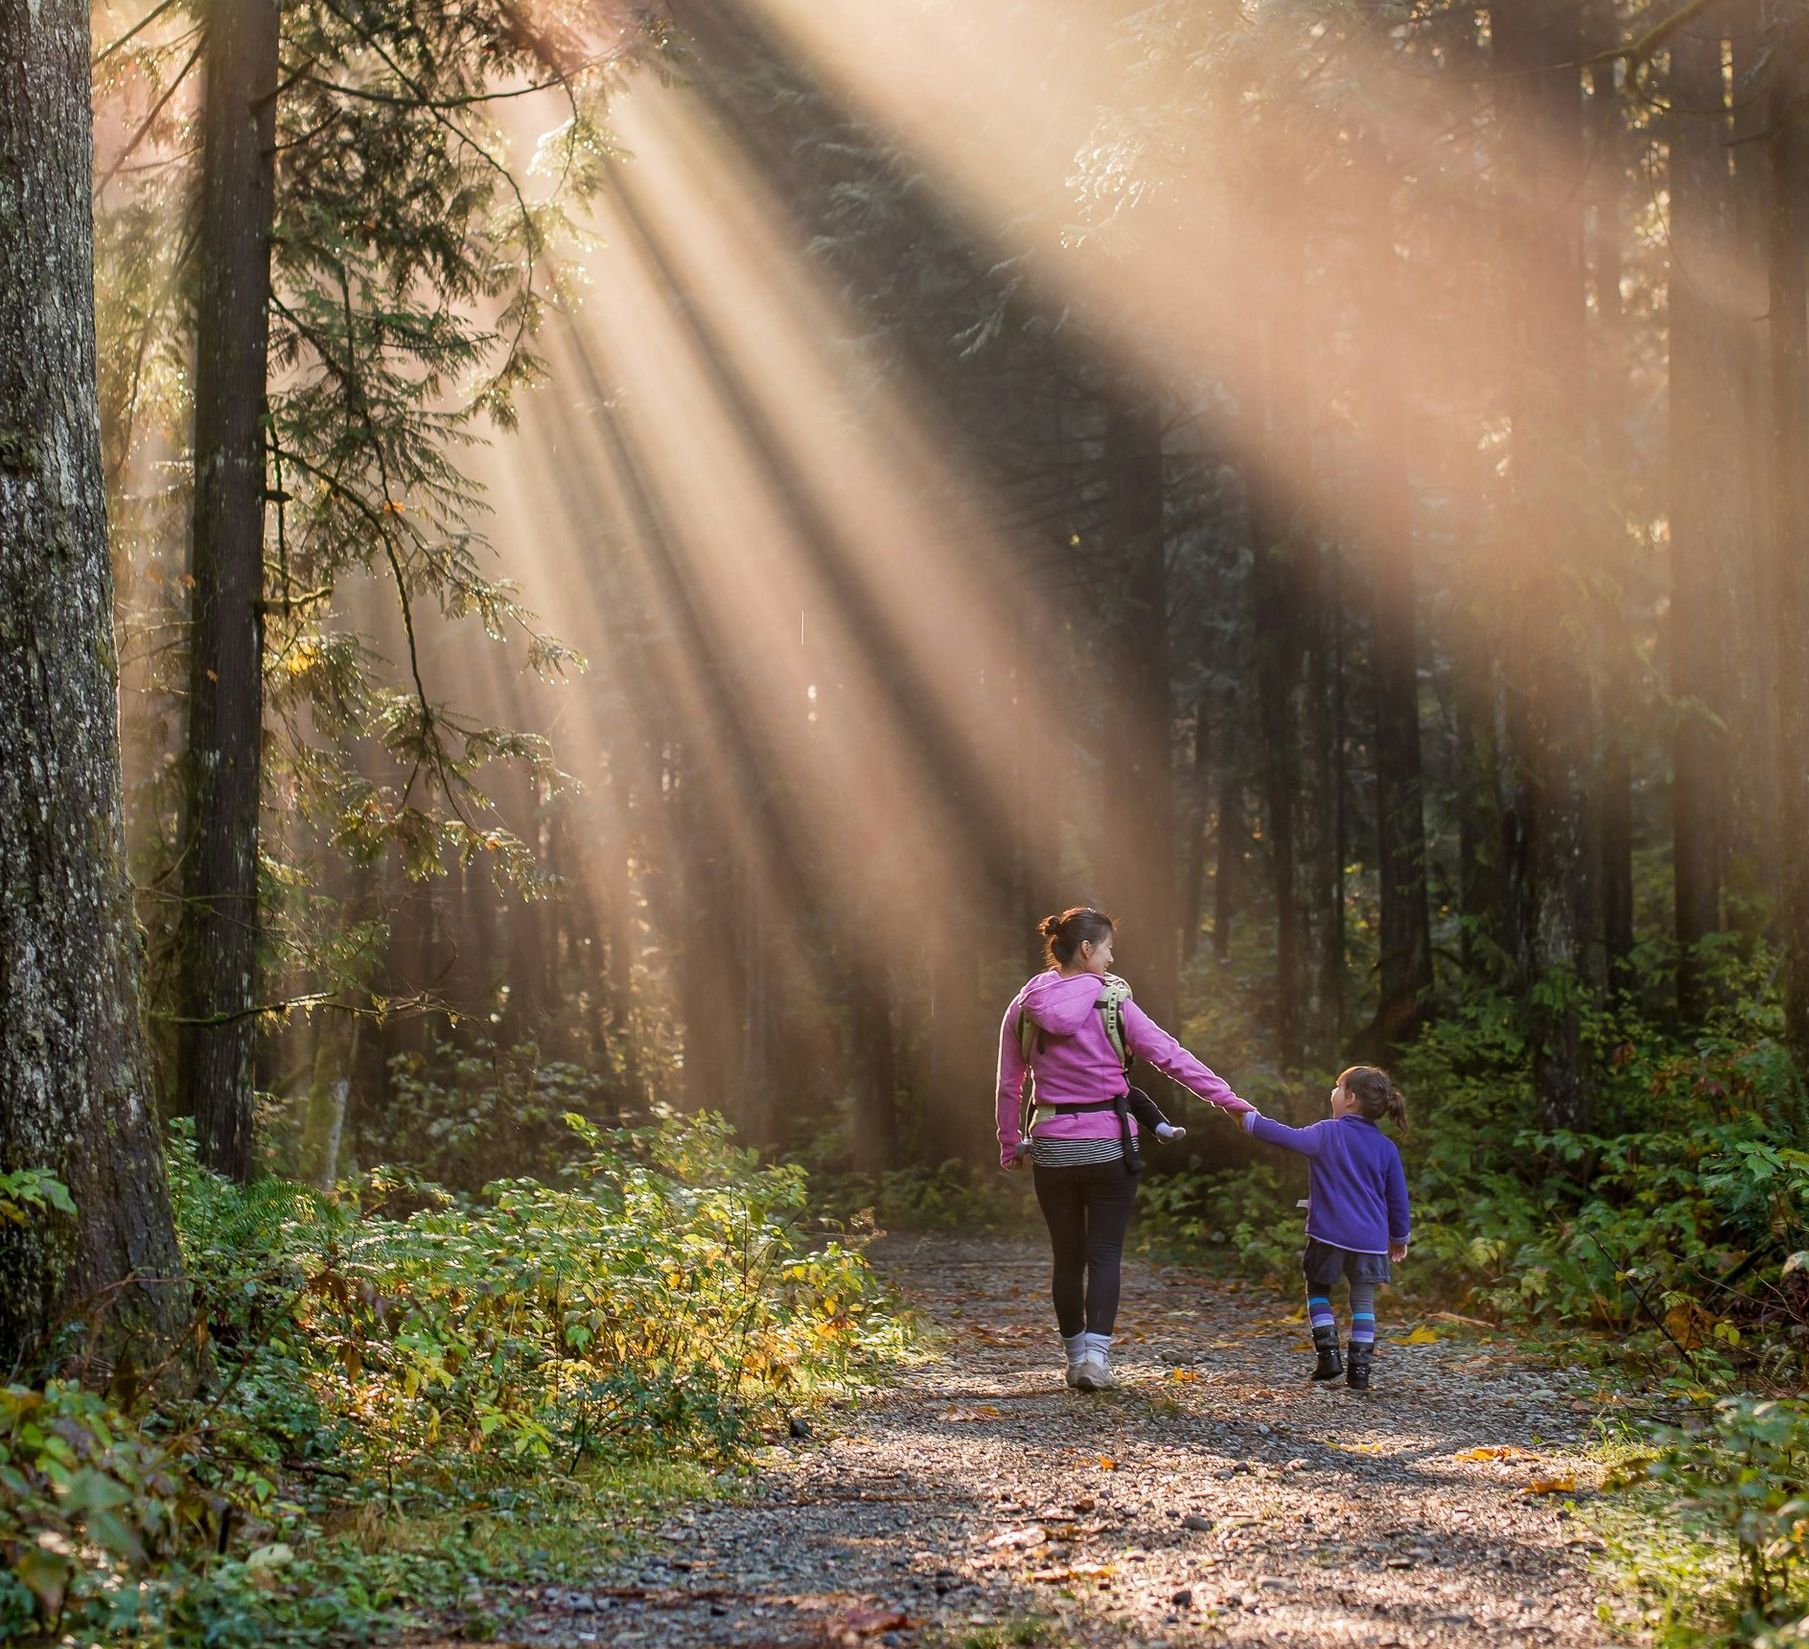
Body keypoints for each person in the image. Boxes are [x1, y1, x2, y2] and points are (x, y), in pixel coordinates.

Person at [996, 907, 1254, 1392]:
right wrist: (1230, 1102)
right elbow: (1172, 1057)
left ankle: (1074, 1360)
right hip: (1111, 1145)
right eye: (1109, 948)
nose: (1113, 959)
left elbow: (1010, 1083)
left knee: (1066, 1256)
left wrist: (1011, 1142)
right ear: (1087, 949)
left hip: (1052, 1145)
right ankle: (1096, 1359)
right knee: (1105, 1253)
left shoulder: (1025, 1004)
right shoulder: (1113, 1002)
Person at [1236, 1066, 1411, 1393]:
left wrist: (1249, 1121)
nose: (1332, 1093)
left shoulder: (1327, 1132)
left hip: (1329, 1233)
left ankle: (1328, 1356)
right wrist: (1399, 1238)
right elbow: (1398, 1199)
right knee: (1363, 1303)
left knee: (1317, 1290)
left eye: (1337, 1087)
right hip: (1370, 1240)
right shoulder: (1386, 1148)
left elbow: (1286, 1136)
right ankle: (1360, 1372)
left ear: (1351, 1099)